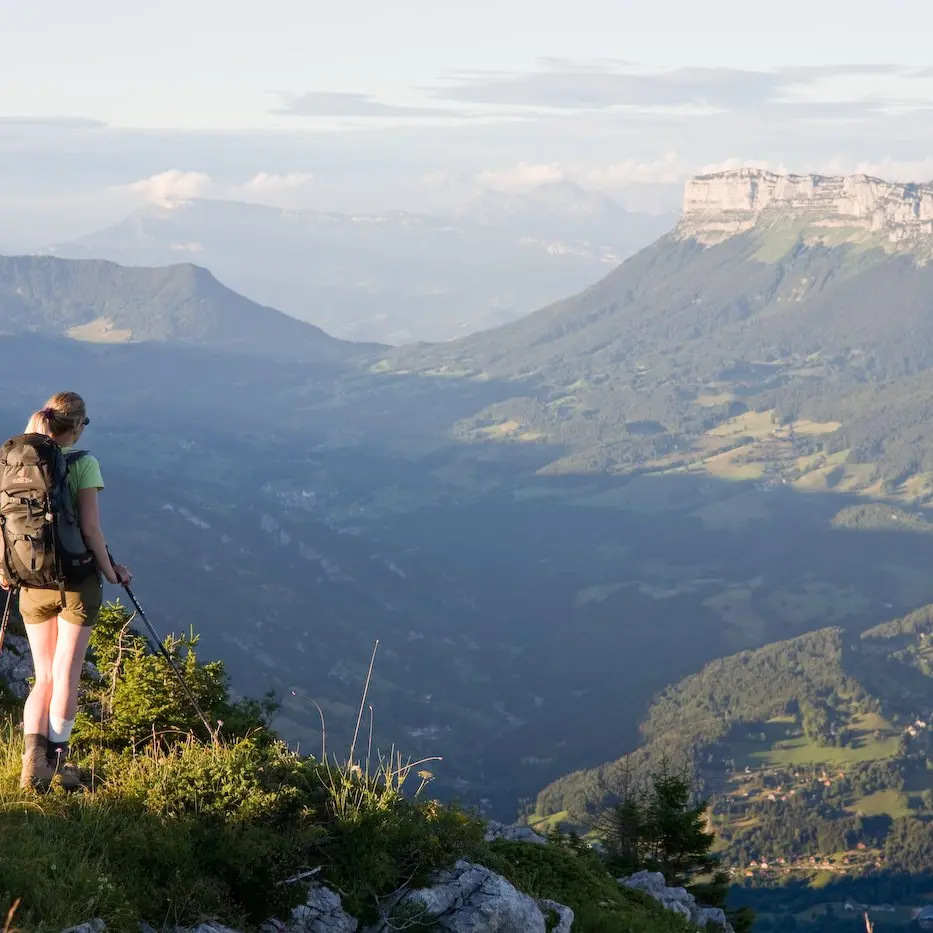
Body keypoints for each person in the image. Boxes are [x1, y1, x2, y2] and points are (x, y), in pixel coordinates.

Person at [0, 392, 132, 791]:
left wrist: (4, 568)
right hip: (76, 583)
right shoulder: (83, 463)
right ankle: (57, 765)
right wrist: (112, 572)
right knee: (66, 676)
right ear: (75, 427)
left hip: (30, 581)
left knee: (43, 677)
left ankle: (32, 765)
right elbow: (90, 529)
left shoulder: (13, 461)